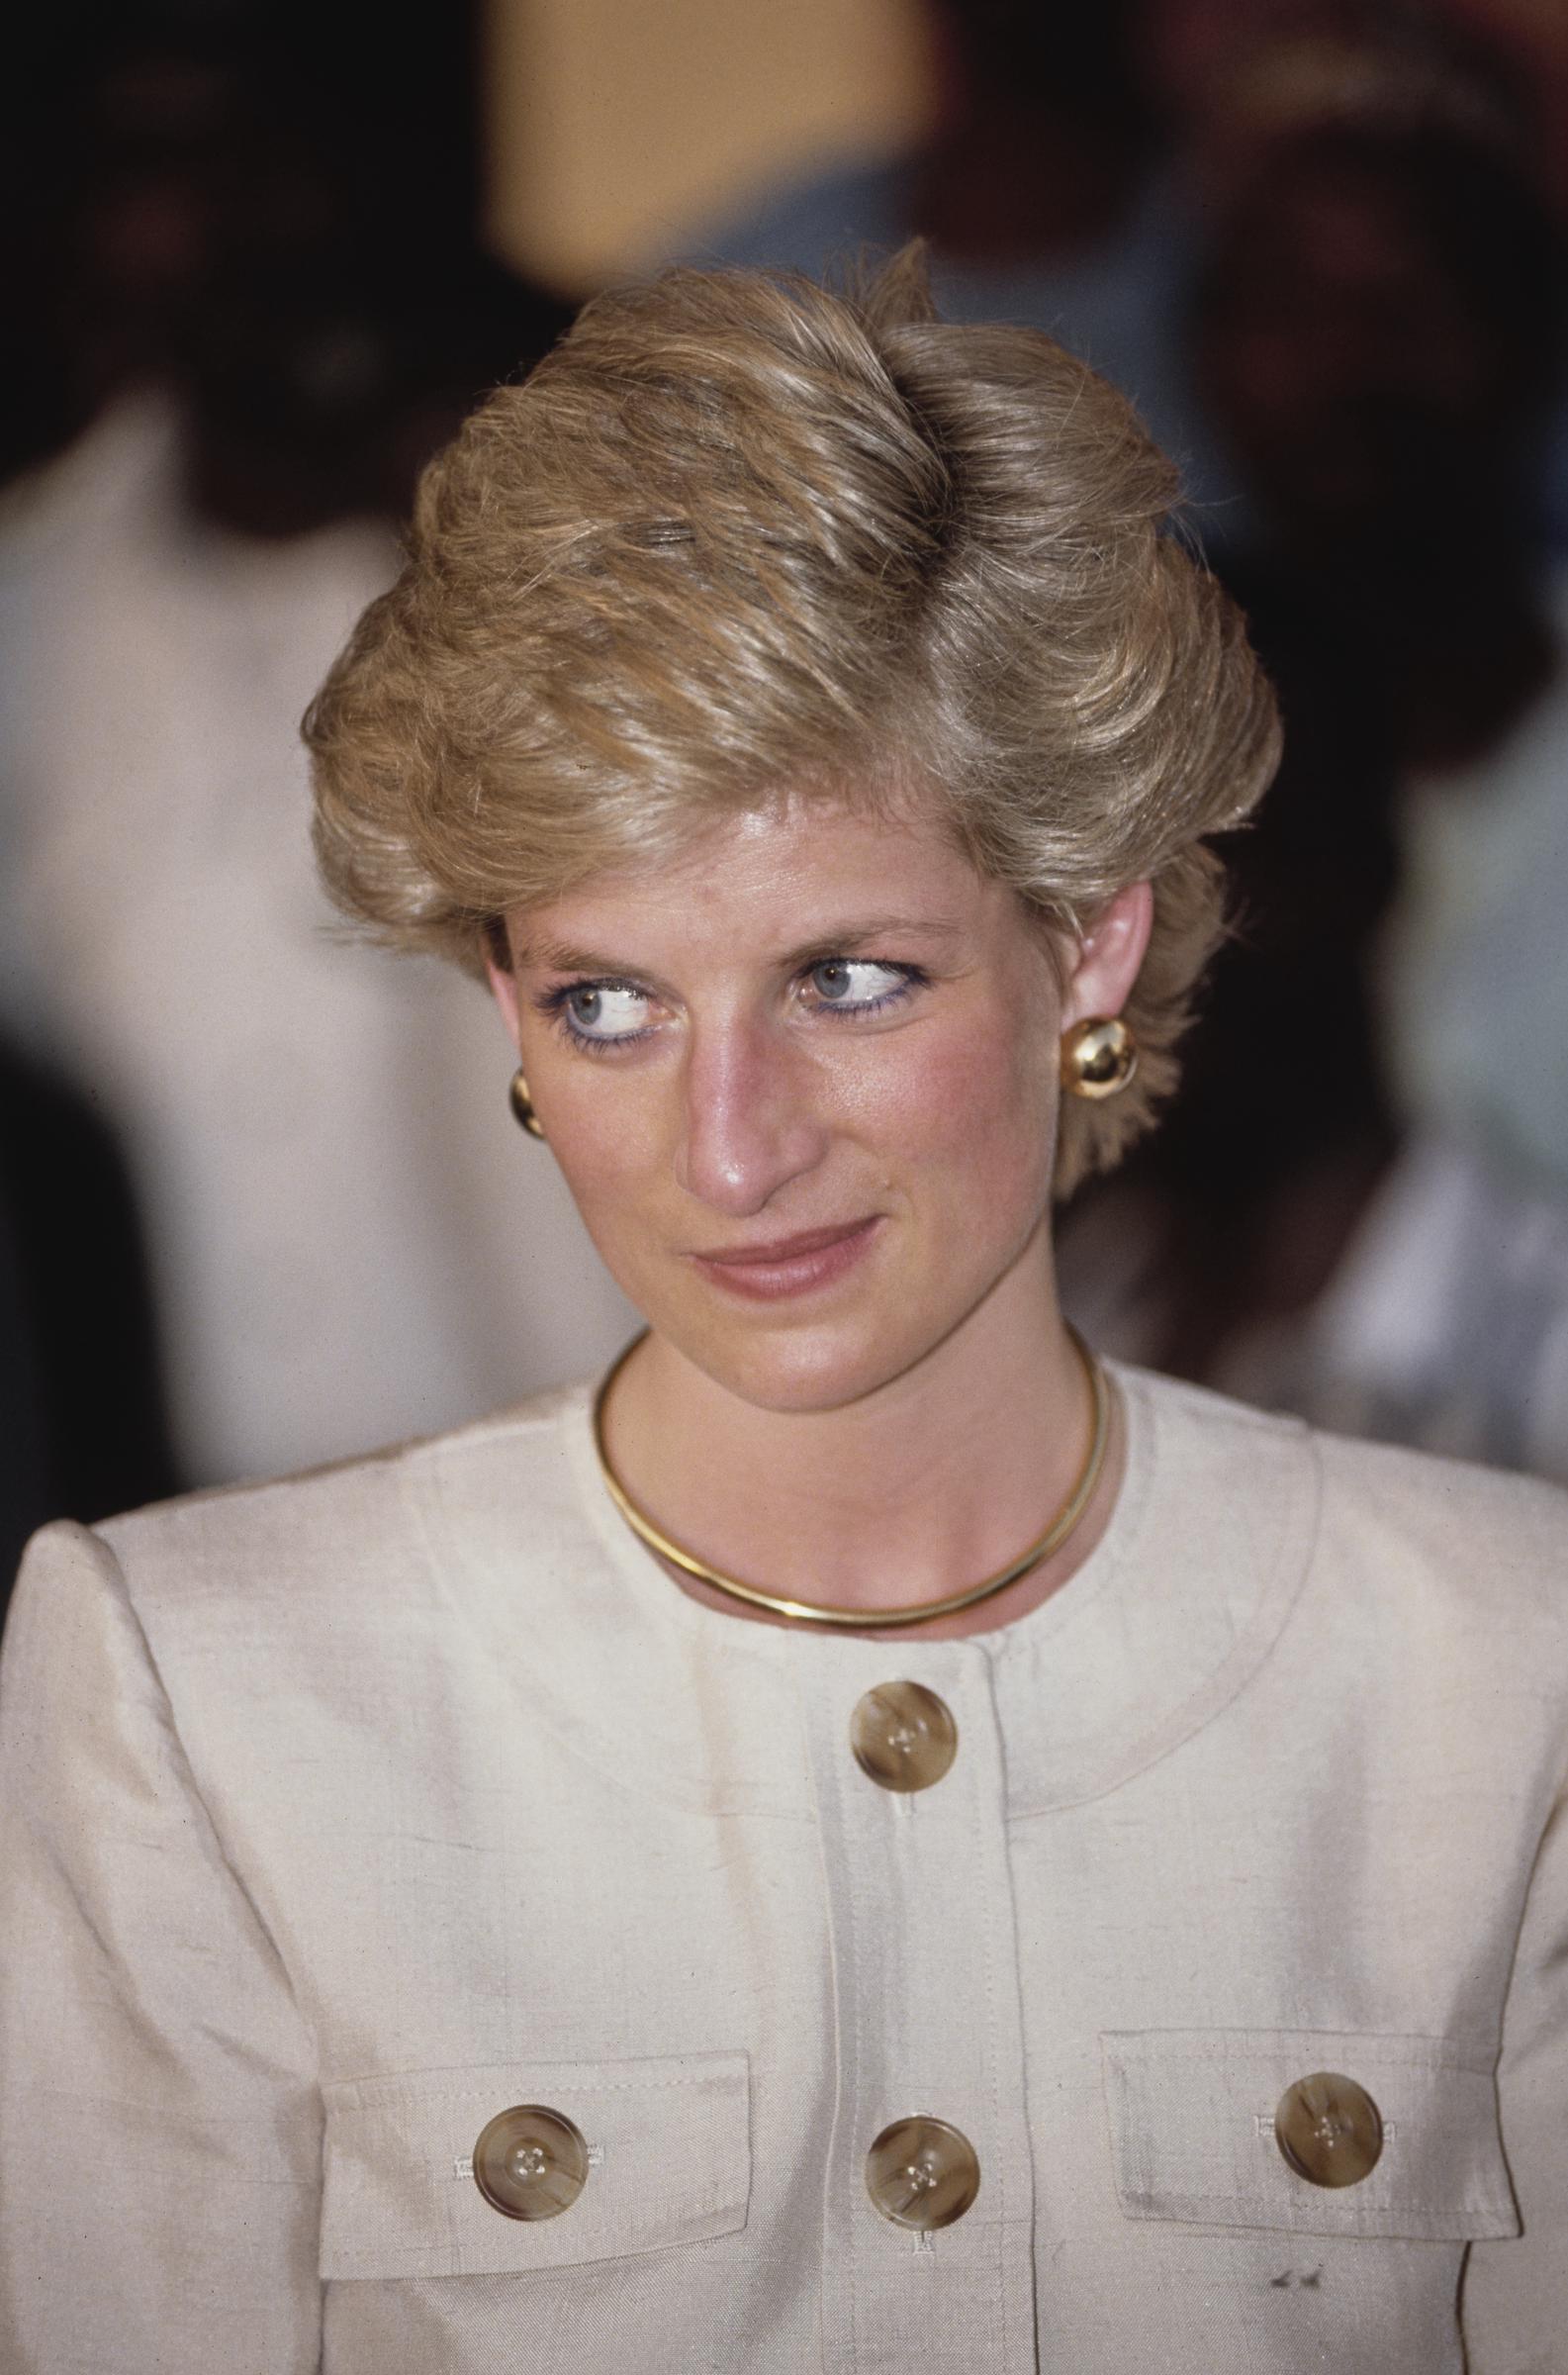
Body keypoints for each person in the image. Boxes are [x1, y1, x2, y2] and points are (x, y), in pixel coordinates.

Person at [1, 248, 1564, 2374]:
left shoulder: (1506, 1673)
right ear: (505, 1009)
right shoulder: (199, 1704)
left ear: (1086, 949)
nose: (725, 1154)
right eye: (612, 1003)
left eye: (845, 979)